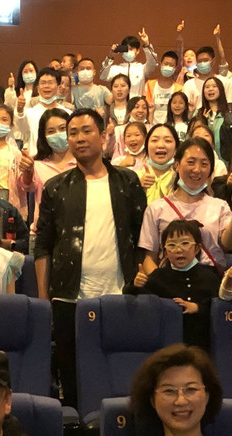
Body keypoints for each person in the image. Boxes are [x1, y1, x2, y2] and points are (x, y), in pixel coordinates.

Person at [35, 109, 148, 407]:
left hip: (121, 295)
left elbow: (143, 238)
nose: (79, 138)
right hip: (68, 298)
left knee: (120, 377)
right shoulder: (55, 187)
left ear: (103, 136)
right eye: (73, 133)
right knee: (73, 380)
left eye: (86, 131)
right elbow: (43, 246)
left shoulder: (127, 181)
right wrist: (45, 298)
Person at [140, 137, 232, 275]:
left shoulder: (220, 206)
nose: (197, 169)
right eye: (191, 162)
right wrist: (160, 283)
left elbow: (229, 244)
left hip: (210, 281)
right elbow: (149, 258)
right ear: (177, 165)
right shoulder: (156, 208)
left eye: (204, 164)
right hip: (170, 280)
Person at [125, 219, 221, 348]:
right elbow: (129, 295)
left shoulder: (210, 276)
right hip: (167, 346)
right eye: (171, 245)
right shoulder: (158, 277)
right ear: (165, 251)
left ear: (197, 248)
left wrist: (198, 308)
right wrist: (135, 284)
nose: (178, 249)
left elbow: (220, 308)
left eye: (185, 243)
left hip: (202, 345)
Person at [15, 108, 76, 253]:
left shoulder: (83, 164)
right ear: (44, 136)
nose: (58, 134)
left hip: (77, 234)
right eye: (51, 131)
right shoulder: (37, 165)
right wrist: (28, 170)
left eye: (62, 129)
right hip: (43, 236)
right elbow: (27, 185)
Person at [16, 69, 74, 147]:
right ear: (38, 88)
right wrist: (20, 110)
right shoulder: (29, 114)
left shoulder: (67, 113)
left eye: (50, 83)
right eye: (43, 83)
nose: (47, 86)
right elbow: (21, 128)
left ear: (58, 87)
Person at [99, 31, 159, 98]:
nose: (128, 51)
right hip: (119, 103)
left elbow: (153, 62)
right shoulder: (115, 69)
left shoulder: (142, 69)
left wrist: (147, 44)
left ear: (137, 51)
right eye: (126, 49)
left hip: (137, 103)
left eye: (131, 49)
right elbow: (103, 76)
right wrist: (110, 56)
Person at [144, 52, 183, 124]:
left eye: (171, 65)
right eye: (166, 64)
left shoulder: (179, 89)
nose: (168, 67)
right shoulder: (149, 85)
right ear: (161, 64)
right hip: (151, 126)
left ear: (175, 67)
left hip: (170, 127)